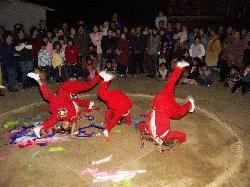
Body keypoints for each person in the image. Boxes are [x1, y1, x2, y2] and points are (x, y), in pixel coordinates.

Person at [27, 71, 99, 138]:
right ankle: (100, 76)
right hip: (67, 91)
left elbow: (76, 101)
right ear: (70, 124)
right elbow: (76, 106)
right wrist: (72, 132)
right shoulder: (72, 117)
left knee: (48, 98)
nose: (64, 122)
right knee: (87, 86)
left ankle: (38, 79)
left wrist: (88, 104)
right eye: (65, 124)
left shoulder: (64, 116)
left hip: (62, 99)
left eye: (63, 124)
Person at [138, 61, 195, 145]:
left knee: (179, 112)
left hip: (164, 106)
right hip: (159, 101)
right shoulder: (150, 131)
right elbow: (141, 125)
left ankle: (190, 104)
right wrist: (142, 123)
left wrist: (181, 140)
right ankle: (179, 67)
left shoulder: (164, 135)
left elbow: (182, 135)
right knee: (170, 83)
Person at [98, 71, 132, 139]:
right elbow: (114, 120)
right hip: (118, 102)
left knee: (103, 94)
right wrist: (107, 130)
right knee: (102, 94)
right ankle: (106, 80)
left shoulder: (124, 112)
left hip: (119, 96)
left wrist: (107, 122)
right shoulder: (120, 113)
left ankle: (106, 80)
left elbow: (129, 120)